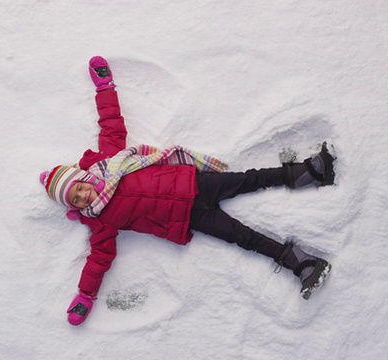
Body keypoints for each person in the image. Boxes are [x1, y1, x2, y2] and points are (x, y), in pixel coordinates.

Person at [40, 56, 335, 326]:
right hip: (187, 218)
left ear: (82, 177)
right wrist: (85, 296)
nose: (83, 197)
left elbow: (111, 124)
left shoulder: (109, 162)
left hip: (192, 182)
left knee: (250, 179)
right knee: (243, 238)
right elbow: (99, 260)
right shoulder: (101, 222)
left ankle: (309, 172)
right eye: (77, 201)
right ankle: (303, 264)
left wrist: (105, 86)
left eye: (79, 189)